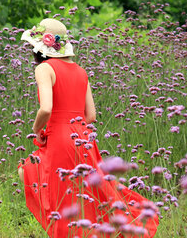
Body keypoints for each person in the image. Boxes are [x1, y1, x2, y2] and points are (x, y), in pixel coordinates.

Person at [18, 18, 159, 238]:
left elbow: (46, 108)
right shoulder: (81, 71)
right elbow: (91, 115)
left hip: (60, 137)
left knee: (51, 186)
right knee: (88, 192)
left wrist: (37, 130)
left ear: (39, 48)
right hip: (83, 136)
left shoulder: (44, 69)